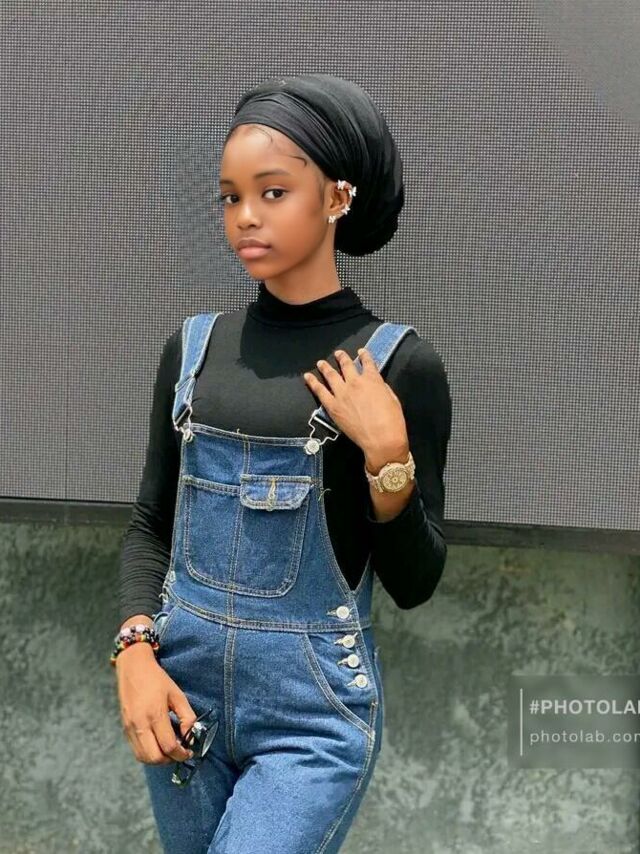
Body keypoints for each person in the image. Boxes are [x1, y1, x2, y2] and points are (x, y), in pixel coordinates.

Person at [112, 73, 452, 853]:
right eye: (230, 197)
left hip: (311, 720)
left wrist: (389, 458)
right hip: (180, 697)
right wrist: (134, 653)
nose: (246, 217)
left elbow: (415, 582)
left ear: (337, 198)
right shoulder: (193, 351)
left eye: (272, 192)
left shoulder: (397, 365)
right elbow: (149, 526)